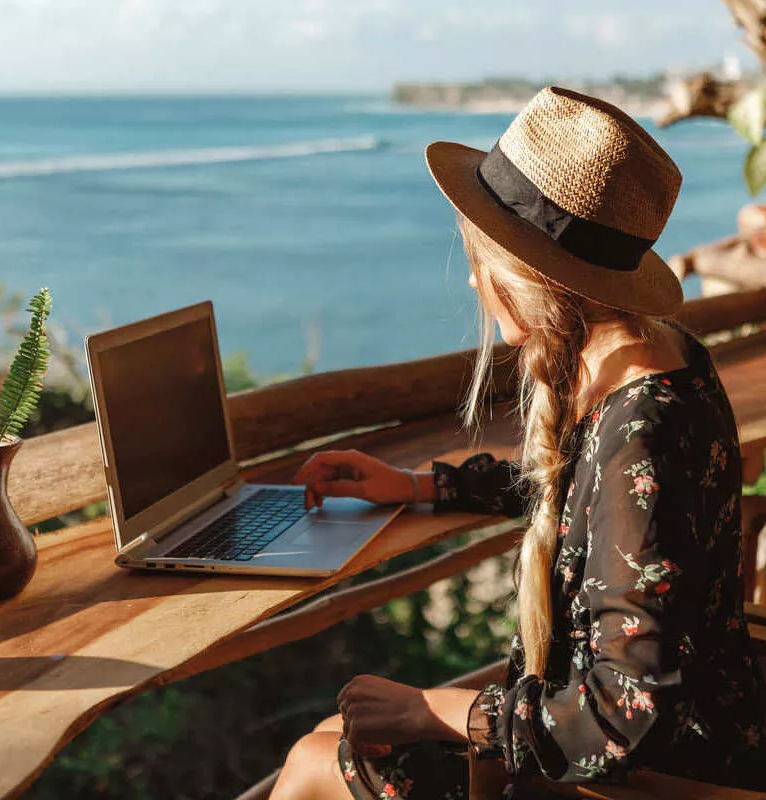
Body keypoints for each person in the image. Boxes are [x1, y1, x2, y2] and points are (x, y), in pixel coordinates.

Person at [269, 86, 766, 799]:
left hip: (660, 772)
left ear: (531, 274)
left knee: (318, 761)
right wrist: (419, 485)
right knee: (326, 739)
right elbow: (591, 501)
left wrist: (434, 708)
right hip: (704, 727)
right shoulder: (653, 355)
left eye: (483, 261)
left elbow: (625, 717)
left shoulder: (642, 430)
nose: (473, 278)